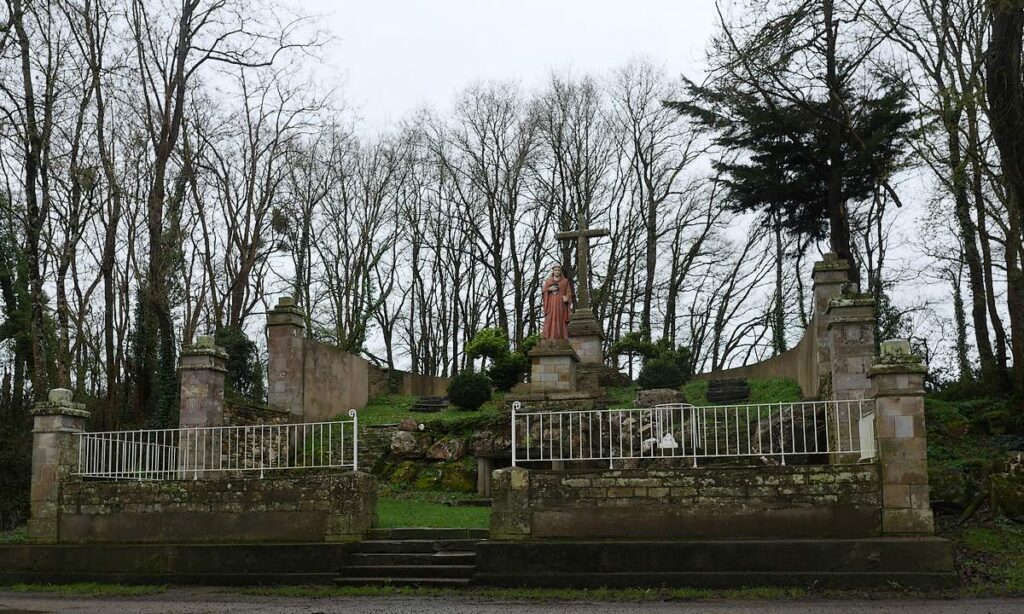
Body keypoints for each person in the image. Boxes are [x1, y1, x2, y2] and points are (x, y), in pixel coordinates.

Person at [541, 264, 572, 340]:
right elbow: (544, 291)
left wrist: (567, 297)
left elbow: (568, 292)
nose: (557, 271)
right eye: (555, 270)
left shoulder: (565, 281)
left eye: (558, 270)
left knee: (560, 319)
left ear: (560, 271)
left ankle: (560, 336)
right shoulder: (548, 281)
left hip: (560, 305)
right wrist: (548, 289)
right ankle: (548, 336)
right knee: (550, 318)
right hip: (551, 304)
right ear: (553, 271)